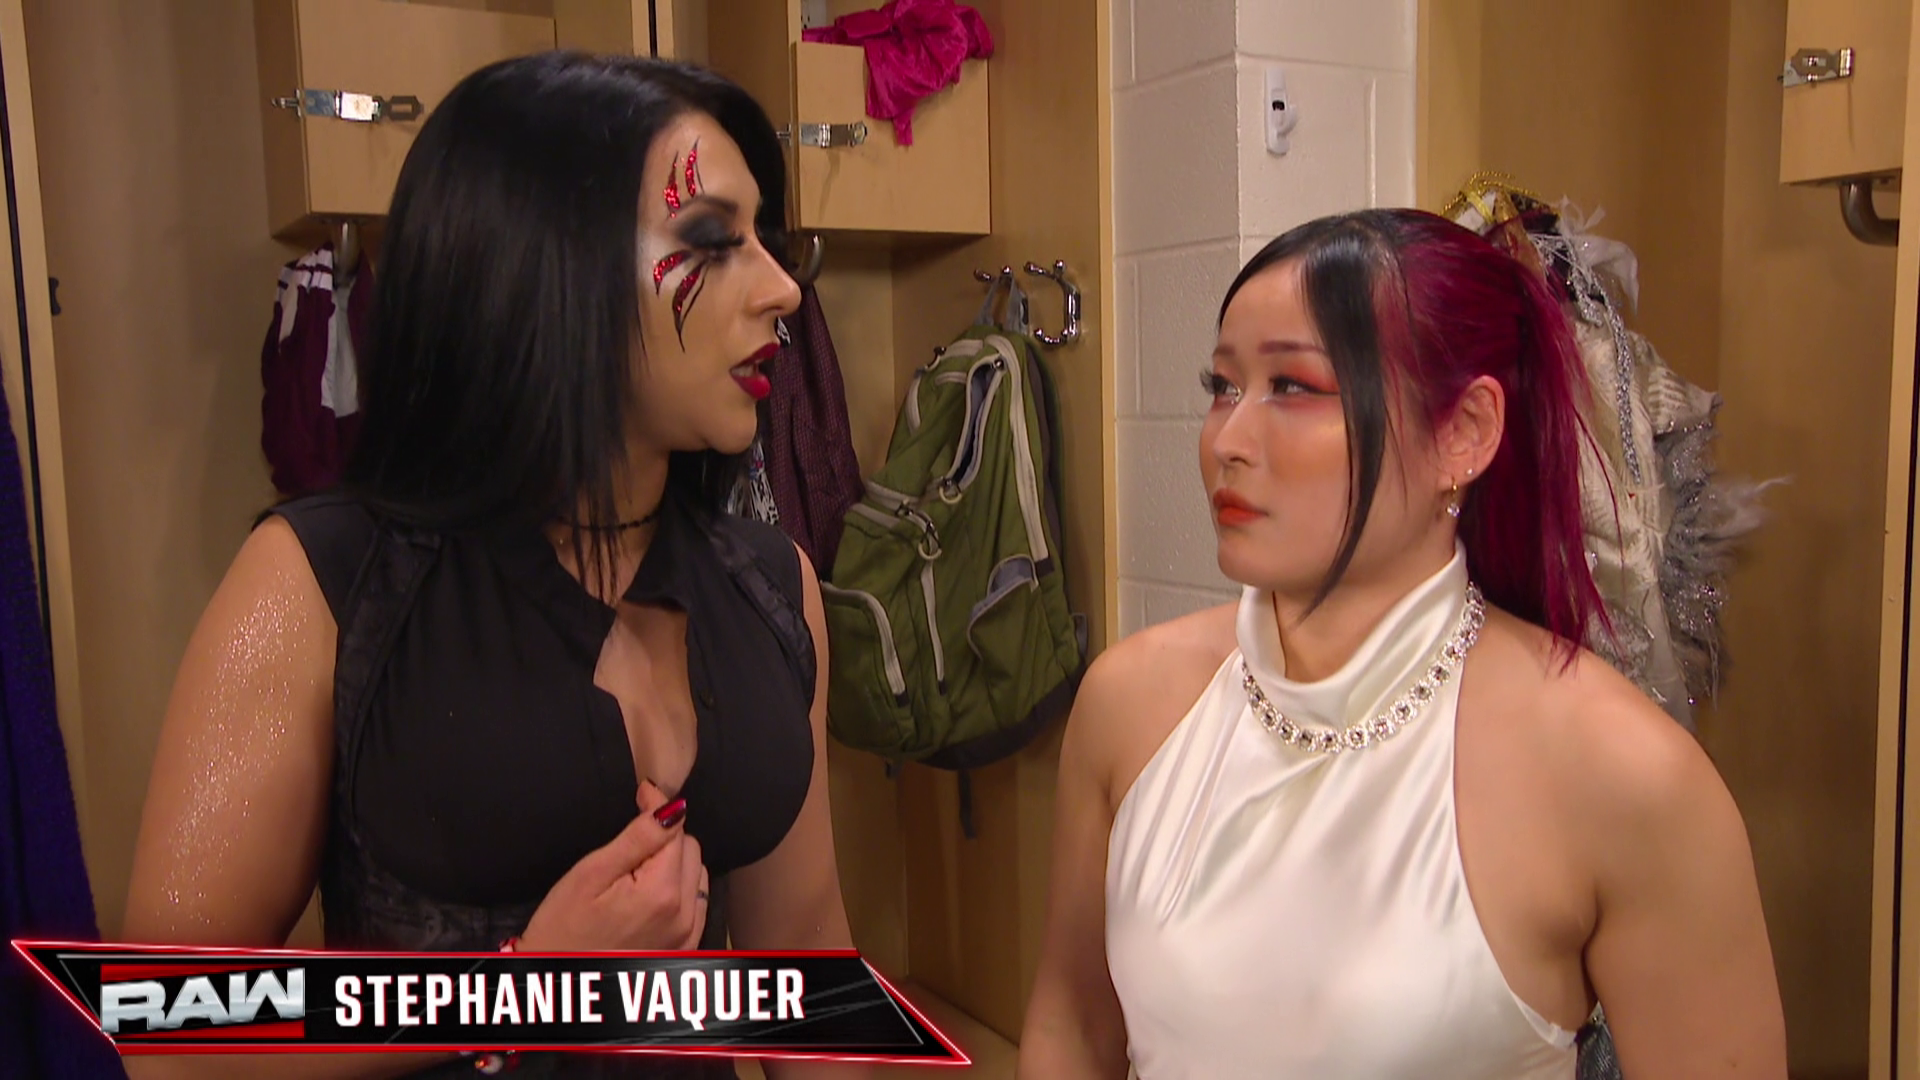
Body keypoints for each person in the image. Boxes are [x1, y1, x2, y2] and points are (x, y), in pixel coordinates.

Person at [121, 52, 863, 1079]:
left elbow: (807, 963)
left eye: (765, 242)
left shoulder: (774, 591)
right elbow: (165, 1024)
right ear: (541, 260)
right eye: (710, 240)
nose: (783, 289)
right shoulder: (324, 583)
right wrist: (523, 988)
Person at [1018, 209, 1788, 1079]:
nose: (1226, 441)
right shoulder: (1131, 703)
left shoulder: (1621, 771)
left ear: (1464, 432)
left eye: (1294, 387)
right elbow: (1071, 1027)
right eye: (1223, 386)